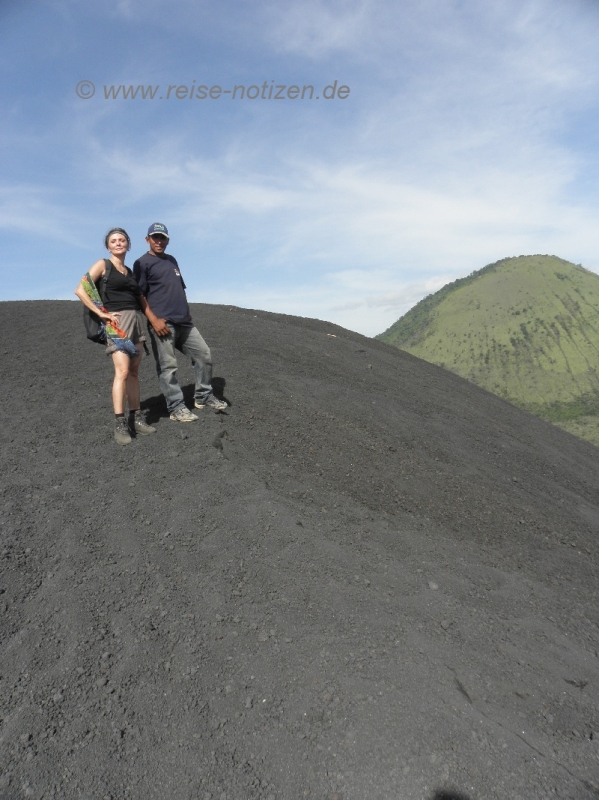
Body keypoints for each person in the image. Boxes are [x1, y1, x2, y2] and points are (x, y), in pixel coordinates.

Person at [75, 227, 162, 445]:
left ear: (128, 244)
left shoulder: (129, 272)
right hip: (117, 324)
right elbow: (80, 289)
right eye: (114, 241)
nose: (118, 243)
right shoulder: (103, 265)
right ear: (108, 246)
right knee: (122, 372)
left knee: (133, 372)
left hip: (135, 322)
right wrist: (101, 313)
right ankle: (120, 423)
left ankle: (137, 418)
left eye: (122, 240)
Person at [133, 223, 227, 421]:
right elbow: (139, 295)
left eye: (162, 238)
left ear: (167, 240)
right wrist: (153, 320)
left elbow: (179, 288)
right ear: (147, 239)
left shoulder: (172, 260)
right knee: (168, 367)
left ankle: (204, 396)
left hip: (184, 321)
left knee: (204, 355)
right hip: (163, 323)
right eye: (155, 237)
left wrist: (187, 312)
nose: (159, 241)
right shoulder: (142, 263)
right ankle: (176, 407)